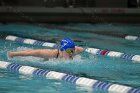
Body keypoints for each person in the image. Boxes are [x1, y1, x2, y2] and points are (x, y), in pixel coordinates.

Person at [8, 38, 85, 60]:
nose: (71, 53)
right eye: (69, 50)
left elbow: (83, 49)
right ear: (62, 49)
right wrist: (13, 54)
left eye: (73, 50)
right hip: (48, 58)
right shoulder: (51, 54)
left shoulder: (77, 50)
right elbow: (31, 52)